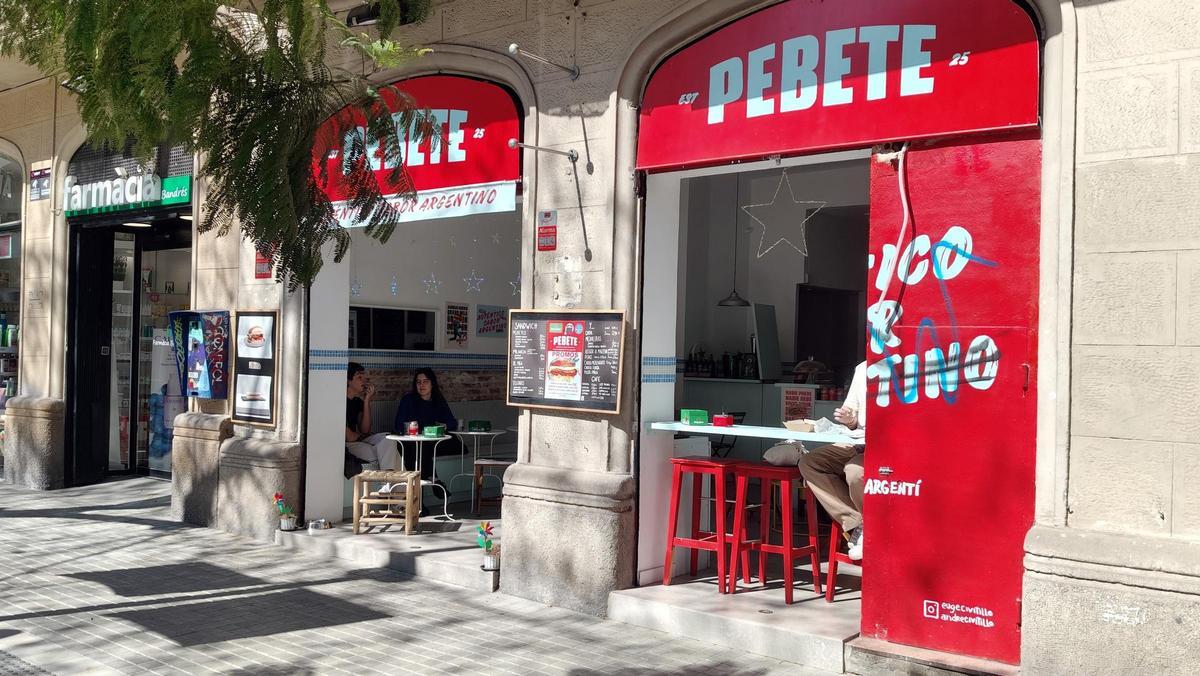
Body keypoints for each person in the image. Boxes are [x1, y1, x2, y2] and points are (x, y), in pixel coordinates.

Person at [798, 361, 867, 560]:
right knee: (810, 462)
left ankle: (867, 526)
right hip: (857, 440)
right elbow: (852, 417)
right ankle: (858, 523)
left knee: (855, 470)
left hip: (886, 445)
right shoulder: (863, 368)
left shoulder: (909, 367)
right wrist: (848, 420)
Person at [393, 368, 459, 480]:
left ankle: (428, 478)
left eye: (425, 381)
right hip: (412, 441)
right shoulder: (408, 400)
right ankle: (432, 478)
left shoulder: (438, 401)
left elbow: (452, 423)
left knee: (458, 445)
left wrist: (443, 427)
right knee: (420, 447)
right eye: (418, 382)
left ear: (432, 383)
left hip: (432, 440)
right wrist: (418, 430)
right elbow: (399, 426)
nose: (421, 385)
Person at [345, 362, 403, 471]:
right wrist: (364, 436)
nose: (364, 380)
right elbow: (350, 437)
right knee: (387, 453)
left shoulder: (357, 402)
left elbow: (365, 429)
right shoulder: (340, 401)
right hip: (348, 445)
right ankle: (398, 485)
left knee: (389, 439)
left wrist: (367, 400)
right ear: (348, 381)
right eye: (359, 377)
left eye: (364, 377)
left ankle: (389, 484)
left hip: (360, 440)